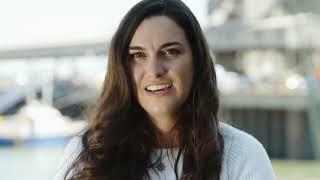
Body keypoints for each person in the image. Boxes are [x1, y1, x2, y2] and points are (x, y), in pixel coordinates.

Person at [55, 0, 276, 179]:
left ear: (197, 60)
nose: (154, 70)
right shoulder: (86, 155)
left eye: (170, 52)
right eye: (138, 56)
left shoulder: (243, 155)